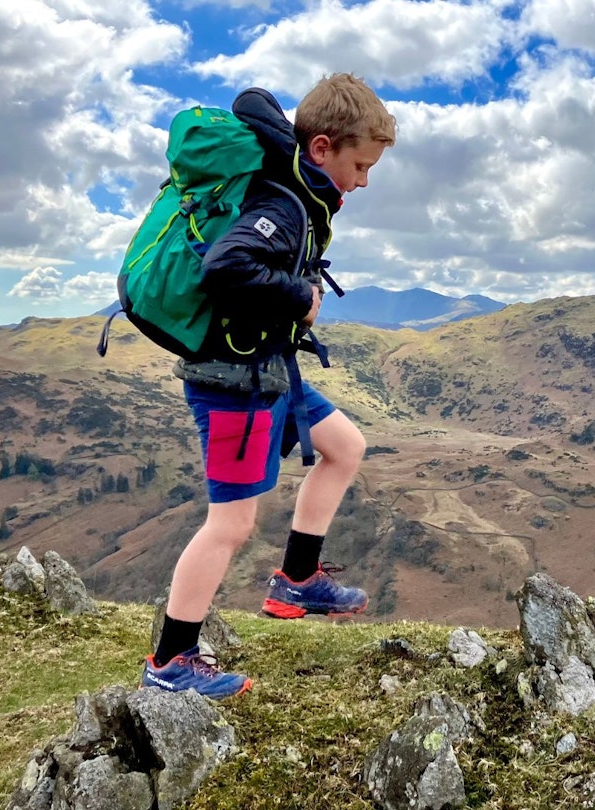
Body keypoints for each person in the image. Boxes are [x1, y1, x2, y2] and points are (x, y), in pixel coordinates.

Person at [141, 74, 396, 700]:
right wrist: (301, 298)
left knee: (345, 447)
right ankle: (172, 659)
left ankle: (297, 581)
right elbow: (226, 264)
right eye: (360, 165)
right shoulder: (283, 205)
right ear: (322, 149)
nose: (364, 180)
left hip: (269, 369)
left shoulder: (298, 194)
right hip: (236, 384)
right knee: (230, 525)